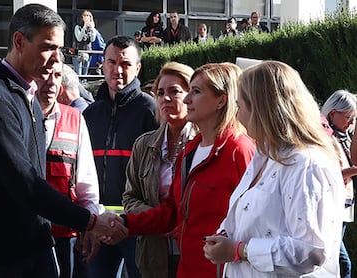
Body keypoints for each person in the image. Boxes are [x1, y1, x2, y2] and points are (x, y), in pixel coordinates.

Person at [0, 4, 127, 277]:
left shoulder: (26, 97)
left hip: (35, 245)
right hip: (2, 256)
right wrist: (91, 221)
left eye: (59, 49)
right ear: (19, 41)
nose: (55, 58)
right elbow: (24, 181)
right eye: (48, 47)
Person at [203, 61, 345, 277]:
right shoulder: (265, 155)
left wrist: (239, 250)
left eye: (240, 107)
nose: (237, 116)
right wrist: (225, 235)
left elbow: (310, 250)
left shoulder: (306, 164)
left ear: (261, 110)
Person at [114, 63, 256, 277]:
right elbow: (172, 212)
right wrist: (124, 223)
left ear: (221, 100)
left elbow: (257, 221)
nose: (187, 99)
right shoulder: (189, 151)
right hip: (186, 269)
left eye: (196, 92)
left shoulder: (240, 150)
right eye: (160, 93)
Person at [83, 35, 159, 278]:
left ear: (137, 68)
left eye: (126, 64)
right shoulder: (90, 114)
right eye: (112, 62)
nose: (118, 70)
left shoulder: (150, 110)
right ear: (102, 65)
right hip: (98, 223)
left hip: (135, 226)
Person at [122, 62, 196, 278]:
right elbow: (129, 197)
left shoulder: (205, 144)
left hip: (194, 252)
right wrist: (159, 221)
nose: (165, 99)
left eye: (175, 91)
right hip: (153, 253)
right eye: (160, 93)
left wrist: (182, 223)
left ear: (192, 95)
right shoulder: (144, 145)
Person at [35, 57, 102, 278]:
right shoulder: (17, 114)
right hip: (24, 235)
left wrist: (89, 225)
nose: (52, 83)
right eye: (46, 74)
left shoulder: (75, 119)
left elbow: (86, 180)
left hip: (65, 235)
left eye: (57, 76)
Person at [321, 90, 357, 278]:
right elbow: (333, 174)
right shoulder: (326, 138)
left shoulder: (344, 138)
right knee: (341, 262)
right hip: (332, 207)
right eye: (349, 117)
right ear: (333, 113)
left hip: (343, 207)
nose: (351, 123)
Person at [72, 10, 97, 76]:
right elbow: (79, 39)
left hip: (87, 52)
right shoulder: (77, 27)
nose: (87, 17)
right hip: (78, 52)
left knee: (85, 73)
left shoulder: (91, 29)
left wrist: (92, 29)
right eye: (85, 15)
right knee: (78, 73)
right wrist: (84, 27)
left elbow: (92, 39)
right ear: (82, 17)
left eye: (89, 16)